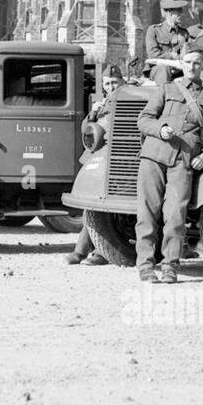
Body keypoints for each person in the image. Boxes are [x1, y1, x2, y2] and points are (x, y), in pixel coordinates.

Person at [135, 44, 203, 283]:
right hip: (154, 156)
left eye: (196, 62)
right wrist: (160, 129)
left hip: (183, 161)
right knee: (147, 212)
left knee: (176, 215)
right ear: (182, 64)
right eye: (187, 62)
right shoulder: (167, 89)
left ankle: (169, 267)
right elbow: (143, 120)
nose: (191, 66)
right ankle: (145, 267)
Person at [68, 65, 125, 266]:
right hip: (100, 156)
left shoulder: (129, 97)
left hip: (119, 158)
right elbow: (87, 130)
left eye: (114, 82)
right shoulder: (103, 103)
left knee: (104, 208)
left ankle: (91, 252)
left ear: (122, 80)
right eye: (107, 83)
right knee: (92, 205)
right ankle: (87, 251)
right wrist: (92, 113)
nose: (111, 87)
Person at [144, 0, 199, 83]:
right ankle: (163, 95)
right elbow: (152, 53)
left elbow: (191, 52)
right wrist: (172, 56)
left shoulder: (184, 33)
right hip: (158, 68)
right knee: (164, 70)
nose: (181, 14)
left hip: (180, 69)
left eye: (181, 11)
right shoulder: (154, 30)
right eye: (179, 11)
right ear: (169, 12)